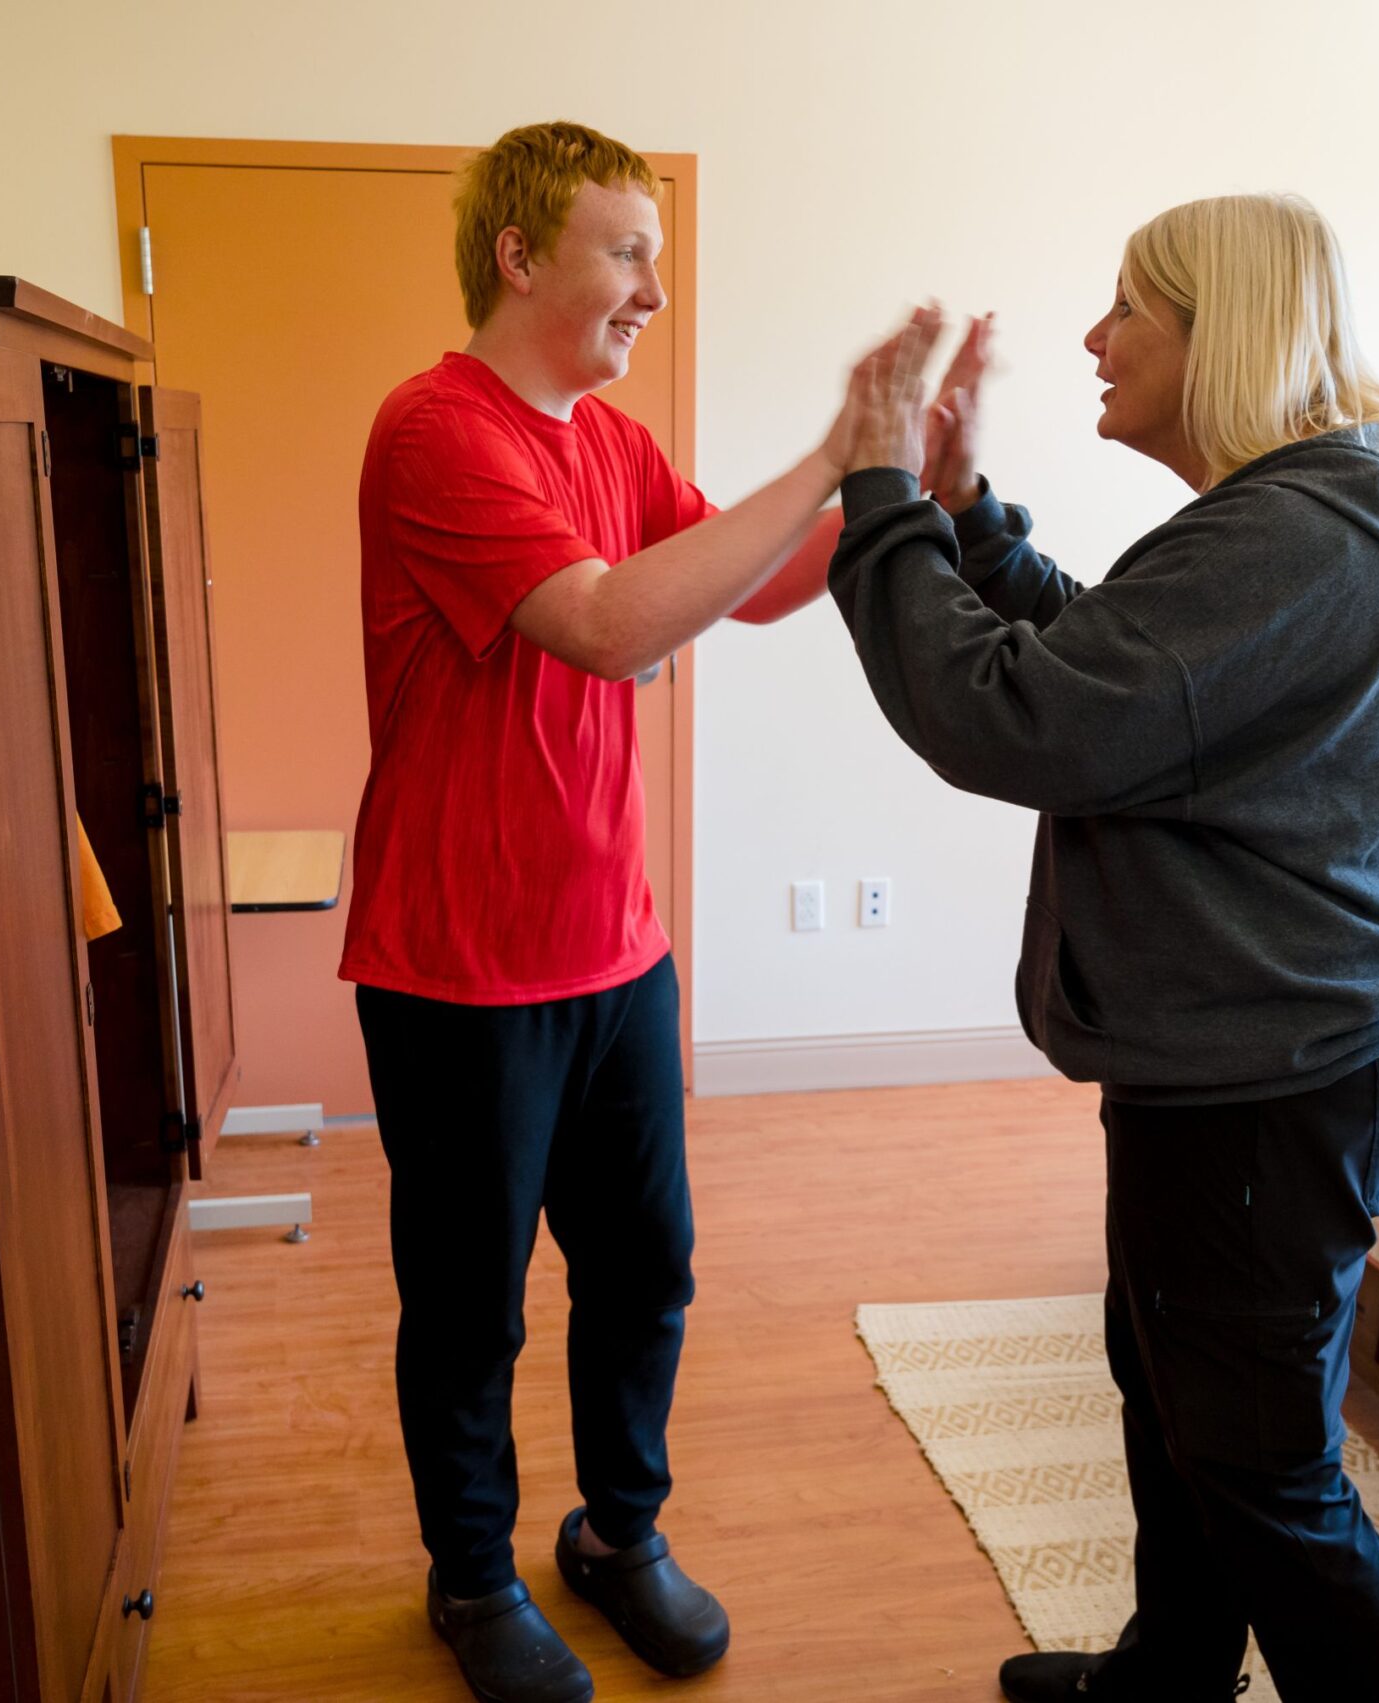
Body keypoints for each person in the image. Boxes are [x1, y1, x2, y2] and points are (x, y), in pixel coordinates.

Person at [827, 195, 1379, 1702]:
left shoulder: (1292, 541)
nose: (1095, 339)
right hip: (1254, 1051)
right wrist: (971, 519)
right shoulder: (1299, 522)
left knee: (1264, 1473)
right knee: (1172, 1389)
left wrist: (882, 502)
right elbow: (1123, 683)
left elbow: (1018, 716)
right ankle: (1169, 1677)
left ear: (1224, 332)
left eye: (1132, 308)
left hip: (1275, 1069)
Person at [340, 119, 869, 1703]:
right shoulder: (440, 431)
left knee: (646, 1268)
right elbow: (604, 625)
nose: (654, 285)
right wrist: (834, 454)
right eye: (626, 250)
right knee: (471, 1306)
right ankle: (470, 1574)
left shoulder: (612, 445)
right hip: (456, 973)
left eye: (655, 251)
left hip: (617, 954)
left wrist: (904, 488)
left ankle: (618, 1536)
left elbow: (745, 577)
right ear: (521, 256)